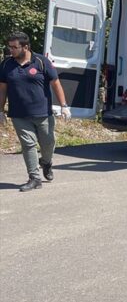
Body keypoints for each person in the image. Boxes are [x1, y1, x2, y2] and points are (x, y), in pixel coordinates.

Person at [0, 32, 71, 192]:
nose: (11, 50)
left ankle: (46, 162)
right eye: (9, 47)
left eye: (14, 47)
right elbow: (2, 89)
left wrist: (64, 105)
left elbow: (56, 83)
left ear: (25, 47)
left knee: (48, 142)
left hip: (43, 113)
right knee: (28, 145)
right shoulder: (6, 65)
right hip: (19, 114)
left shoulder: (41, 62)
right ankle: (34, 178)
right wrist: (0, 111)